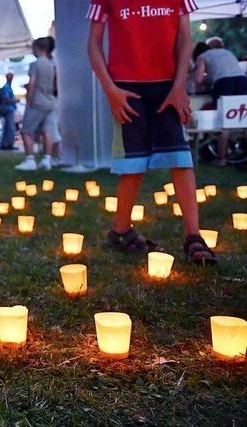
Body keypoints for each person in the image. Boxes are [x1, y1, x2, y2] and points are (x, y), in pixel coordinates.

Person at [87, 0, 216, 265]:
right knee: (132, 162)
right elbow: (93, 44)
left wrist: (180, 86)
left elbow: (184, 39)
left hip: (168, 86)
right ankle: (120, 230)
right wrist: (110, 90)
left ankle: (194, 236)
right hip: (126, 88)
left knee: (180, 158)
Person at [195, 36, 247, 166]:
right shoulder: (229, 53)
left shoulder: (204, 55)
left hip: (224, 83)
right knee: (243, 118)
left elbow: (198, 79)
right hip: (242, 81)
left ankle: (222, 158)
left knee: (225, 121)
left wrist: (204, 85)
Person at [16, 38, 57, 171]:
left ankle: (30, 160)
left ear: (39, 48)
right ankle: (47, 160)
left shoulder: (35, 64)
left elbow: (32, 83)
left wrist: (28, 99)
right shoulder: (52, 64)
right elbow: (55, 84)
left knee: (27, 131)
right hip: (50, 101)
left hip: (37, 102)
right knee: (47, 131)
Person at [0, 72, 18, 150]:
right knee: (10, 128)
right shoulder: (6, 87)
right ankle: (8, 144)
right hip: (8, 110)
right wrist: (15, 100)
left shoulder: (8, 87)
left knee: (7, 128)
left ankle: (6, 144)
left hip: (8, 109)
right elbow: (6, 99)